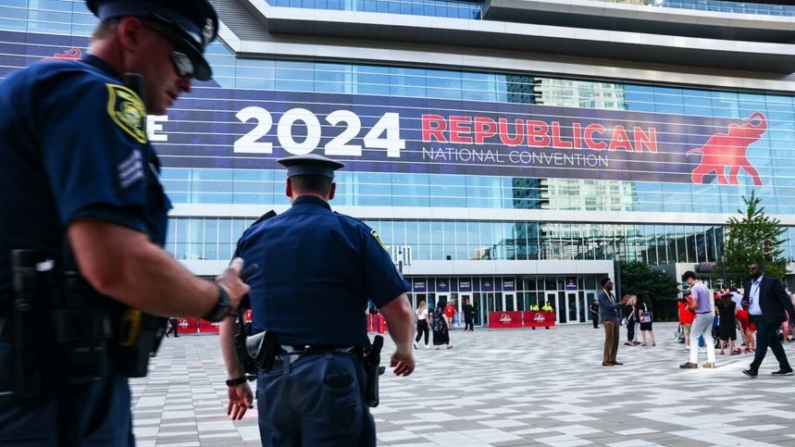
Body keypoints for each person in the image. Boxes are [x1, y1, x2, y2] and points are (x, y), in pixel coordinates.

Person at [0, 1, 251, 445]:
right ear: (131, 34)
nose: (188, 83)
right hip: (48, 388)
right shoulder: (93, 93)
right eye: (181, 60)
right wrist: (219, 297)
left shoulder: (39, 89)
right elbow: (117, 265)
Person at [218, 154, 415, 446]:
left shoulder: (254, 236)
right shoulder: (354, 233)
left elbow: (227, 312)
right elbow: (398, 308)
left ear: (288, 188)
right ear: (331, 191)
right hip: (333, 377)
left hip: (273, 379)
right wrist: (404, 350)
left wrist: (235, 379)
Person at [741, 261, 795, 378]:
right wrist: (743, 302)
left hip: (770, 318)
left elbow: (784, 299)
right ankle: (785, 367)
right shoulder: (748, 284)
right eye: (749, 269)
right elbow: (745, 299)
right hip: (756, 318)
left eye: (753, 269)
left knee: (761, 342)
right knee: (773, 342)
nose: (751, 270)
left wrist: (793, 316)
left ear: (761, 269)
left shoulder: (771, 282)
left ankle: (754, 368)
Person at [680, 271, 716, 369]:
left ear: (690, 278)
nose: (687, 283)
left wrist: (689, 306)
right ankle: (711, 361)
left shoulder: (695, 288)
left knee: (693, 336)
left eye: (687, 280)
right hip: (709, 313)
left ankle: (693, 361)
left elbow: (696, 304)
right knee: (708, 337)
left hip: (701, 314)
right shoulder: (703, 286)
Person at [596, 277, 631, 366]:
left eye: (611, 282)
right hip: (607, 319)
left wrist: (623, 303)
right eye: (609, 283)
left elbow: (615, 307)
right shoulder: (601, 295)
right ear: (604, 285)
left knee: (616, 340)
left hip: (614, 319)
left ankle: (612, 359)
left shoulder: (611, 295)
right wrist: (620, 303)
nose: (611, 284)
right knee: (609, 339)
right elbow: (608, 307)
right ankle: (605, 360)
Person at [716, 291, 737, 355]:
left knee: (722, 336)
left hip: (722, 320)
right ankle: (731, 351)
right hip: (731, 320)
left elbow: (718, 313)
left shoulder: (718, 304)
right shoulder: (733, 303)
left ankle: (722, 350)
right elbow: (735, 313)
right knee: (731, 336)